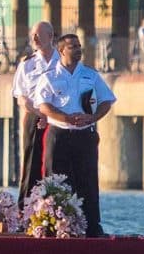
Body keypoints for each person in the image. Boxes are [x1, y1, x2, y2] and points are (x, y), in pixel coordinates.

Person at [34, 34, 116, 237]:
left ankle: (91, 228)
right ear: (61, 50)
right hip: (59, 134)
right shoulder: (50, 76)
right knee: (55, 181)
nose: (78, 50)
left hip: (84, 136)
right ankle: (53, 225)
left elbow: (107, 100)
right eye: (73, 47)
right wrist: (64, 117)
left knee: (87, 180)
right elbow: (43, 105)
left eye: (79, 46)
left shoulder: (90, 75)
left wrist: (93, 117)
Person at [11, 21, 59, 207]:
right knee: (31, 161)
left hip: (57, 116)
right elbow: (21, 98)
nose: (35, 39)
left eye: (39, 35)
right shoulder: (27, 64)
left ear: (51, 36)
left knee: (55, 162)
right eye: (33, 35)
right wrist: (39, 113)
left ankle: (55, 205)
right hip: (34, 115)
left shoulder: (61, 62)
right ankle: (25, 208)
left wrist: (50, 115)